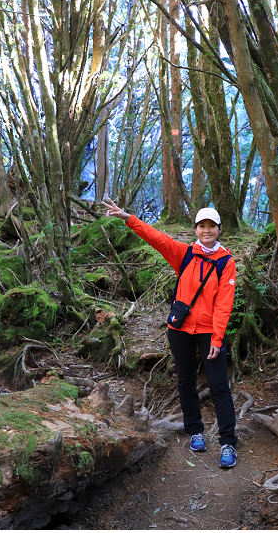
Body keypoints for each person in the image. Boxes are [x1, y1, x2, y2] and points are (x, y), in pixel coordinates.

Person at [102, 197, 238, 469]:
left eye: (212, 226)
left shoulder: (226, 262)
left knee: (219, 386)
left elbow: (224, 303)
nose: (207, 231)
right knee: (185, 381)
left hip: (210, 331)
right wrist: (129, 218)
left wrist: (217, 338)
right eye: (202, 226)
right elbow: (157, 238)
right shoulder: (185, 254)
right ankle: (195, 432)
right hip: (180, 329)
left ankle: (228, 443)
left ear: (220, 229)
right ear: (196, 229)